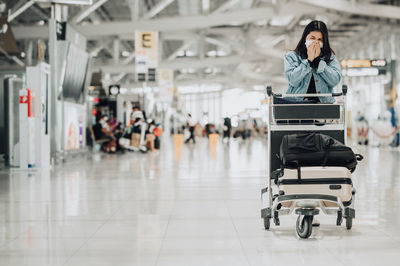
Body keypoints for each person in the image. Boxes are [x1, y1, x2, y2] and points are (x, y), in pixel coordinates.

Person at [284, 20, 341, 103]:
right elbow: (292, 80)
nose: (315, 42)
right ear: (305, 38)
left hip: (323, 105)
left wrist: (318, 62)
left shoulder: (330, 57)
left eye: (320, 39)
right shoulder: (292, 56)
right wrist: (308, 61)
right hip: (296, 104)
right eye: (312, 38)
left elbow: (335, 81)